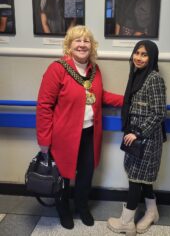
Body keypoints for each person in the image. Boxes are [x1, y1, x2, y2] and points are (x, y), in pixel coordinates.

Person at [36, 25, 123, 229]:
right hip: (63, 136)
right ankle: (63, 209)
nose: (82, 44)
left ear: (91, 46)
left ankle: (82, 207)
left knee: (85, 175)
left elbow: (101, 96)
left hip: (90, 133)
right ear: (69, 45)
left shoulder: (94, 70)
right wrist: (44, 141)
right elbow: (44, 106)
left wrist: (127, 99)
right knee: (64, 177)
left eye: (86, 41)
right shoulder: (57, 69)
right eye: (77, 40)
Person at [107, 40, 167, 235]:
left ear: (152, 58)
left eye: (144, 54)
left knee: (135, 178)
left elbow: (158, 113)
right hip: (135, 136)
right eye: (137, 53)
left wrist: (138, 133)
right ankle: (151, 212)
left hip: (146, 139)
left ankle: (126, 222)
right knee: (144, 178)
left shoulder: (154, 78)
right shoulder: (136, 75)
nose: (139, 58)